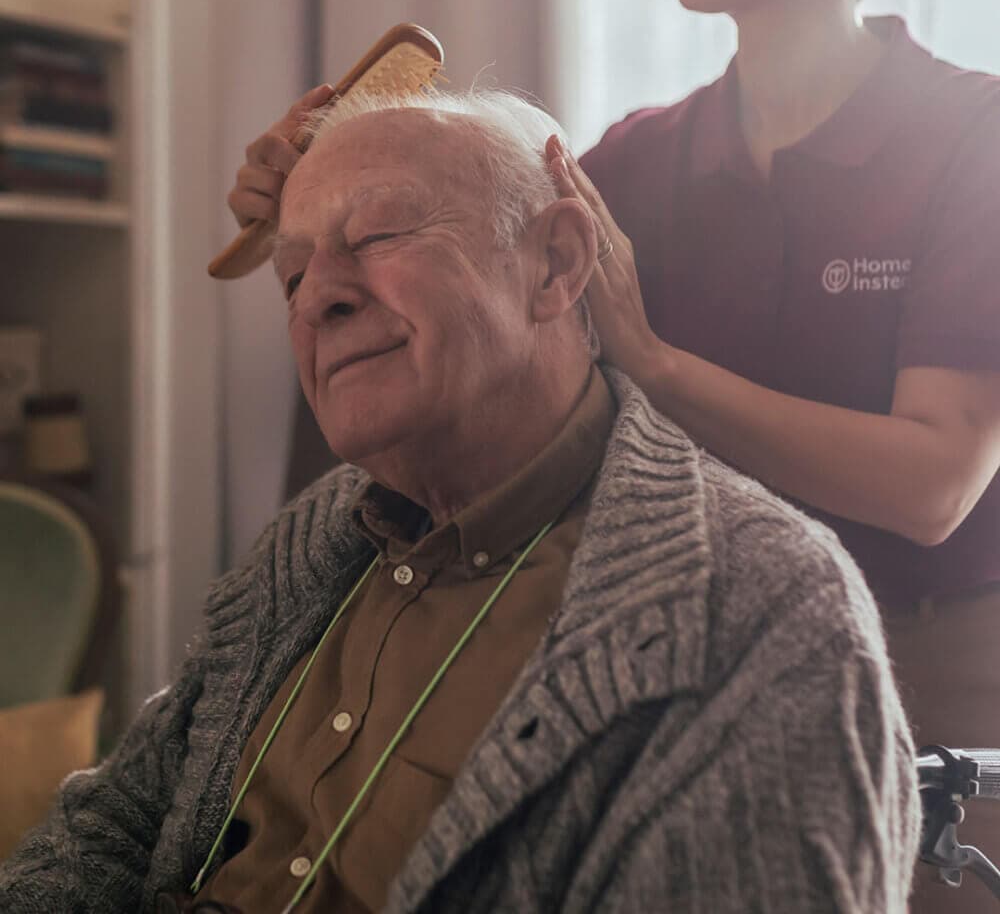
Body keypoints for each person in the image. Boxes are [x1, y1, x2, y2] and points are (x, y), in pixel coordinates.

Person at [1, 90, 919, 912]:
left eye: (377, 237)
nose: (316, 297)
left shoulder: (764, 613)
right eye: (291, 275)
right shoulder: (315, 534)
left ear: (557, 266)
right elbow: (119, 820)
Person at [539, 0, 1000, 911]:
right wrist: (316, 199)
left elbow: (933, 482)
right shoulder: (635, 160)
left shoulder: (974, 131)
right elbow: (472, 278)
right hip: (702, 656)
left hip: (932, 670)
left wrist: (658, 370)